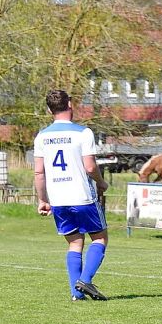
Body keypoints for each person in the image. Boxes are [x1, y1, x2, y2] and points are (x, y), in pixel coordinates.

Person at [33, 90, 111, 301]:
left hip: (58, 199)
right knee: (100, 238)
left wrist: (43, 200)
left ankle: (77, 294)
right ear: (70, 104)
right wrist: (101, 182)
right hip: (82, 196)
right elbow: (89, 166)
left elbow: (39, 173)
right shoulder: (83, 133)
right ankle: (85, 280)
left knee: (75, 243)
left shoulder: (42, 136)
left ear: (49, 110)